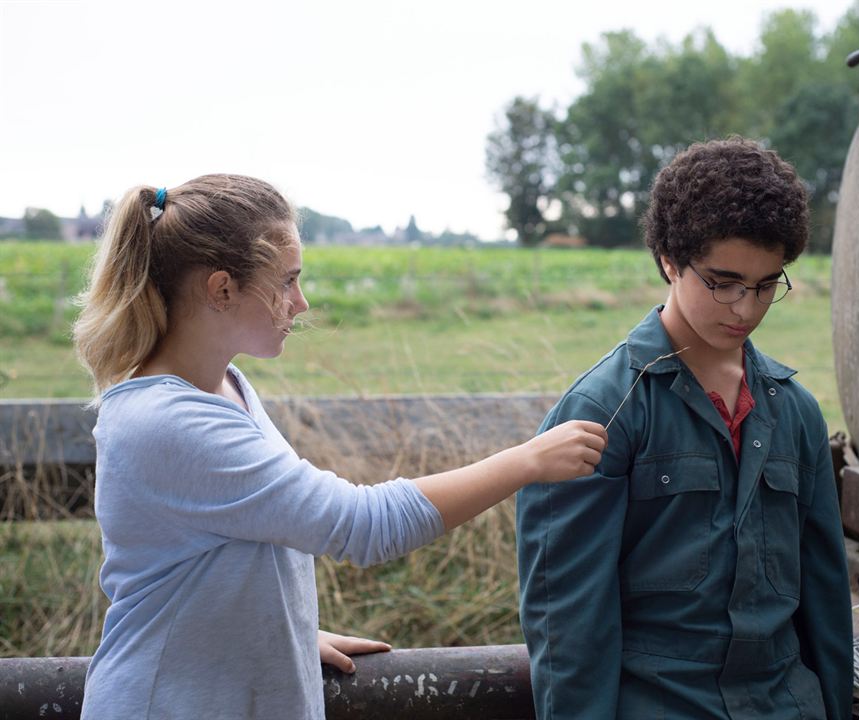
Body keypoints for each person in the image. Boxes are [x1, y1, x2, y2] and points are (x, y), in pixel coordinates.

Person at [71, 174, 607, 720]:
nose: (300, 303)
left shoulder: (224, 385)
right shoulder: (167, 422)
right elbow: (362, 525)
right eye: (286, 281)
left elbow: (220, 553)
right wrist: (528, 460)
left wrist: (284, 634)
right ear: (221, 289)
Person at [516, 137, 852, 719]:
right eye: (722, 282)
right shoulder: (604, 411)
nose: (744, 308)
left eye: (767, 285)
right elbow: (568, 626)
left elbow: (824, 599)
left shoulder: (795, 412)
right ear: (670, 261)